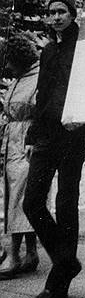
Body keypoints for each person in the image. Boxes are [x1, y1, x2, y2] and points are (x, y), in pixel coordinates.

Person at [22, 0, 85, 298]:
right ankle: (66, 260)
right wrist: (33, 135)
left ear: (73, 14)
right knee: (32, 202)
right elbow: (43, 95)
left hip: (73, 135)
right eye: (51, 13)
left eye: (62, 11)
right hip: (47, 136)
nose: (56, 17)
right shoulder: (49, 50)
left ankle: (58, 287)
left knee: (66, 204)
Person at [0, 33, 41, 280]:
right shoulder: (20, 78)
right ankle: (32, 253)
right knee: (18, 196)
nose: (5, 67)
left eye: (8, 61)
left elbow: (40, 110)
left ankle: (14, 256)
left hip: (27, 142)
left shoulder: (36, 77)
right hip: (12, 141)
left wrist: (32, 138)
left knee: (19, 196)